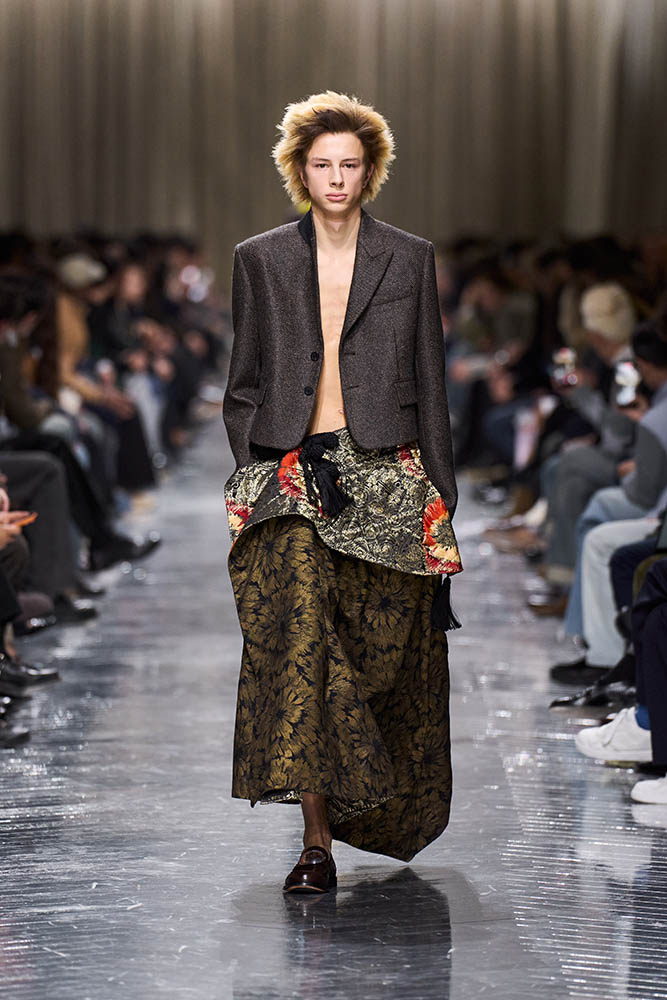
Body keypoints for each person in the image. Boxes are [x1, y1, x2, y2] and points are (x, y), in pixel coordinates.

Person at [223, 91, 462, 893]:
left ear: (370, 172)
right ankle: (314, 842)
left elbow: (429, 379)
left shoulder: (408, 256)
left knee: (377, 651)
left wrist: (440, 495)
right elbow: (244, 381)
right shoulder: (259, 258)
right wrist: (254, 471)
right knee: (301, 638)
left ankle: (370, 801)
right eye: (321, 164)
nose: (335, 178)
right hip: (293, 471)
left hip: (387, 475)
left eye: (349, 165)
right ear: (299, 170)